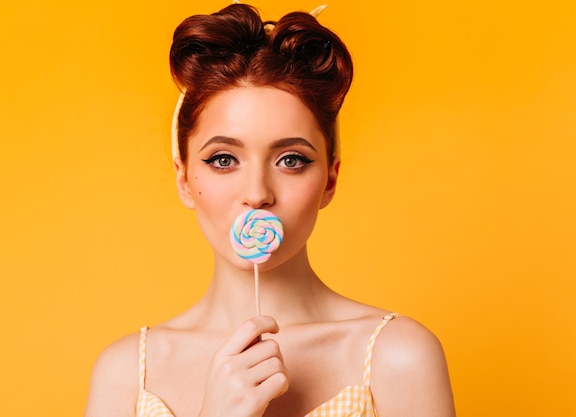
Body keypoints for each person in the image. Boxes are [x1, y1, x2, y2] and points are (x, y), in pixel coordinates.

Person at [84, 2, 456, 416]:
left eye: (291, 159)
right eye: (223, 159)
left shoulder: (398, 357)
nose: (257, 193)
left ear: (329, 180)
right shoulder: (129, 374)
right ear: (185, 179)